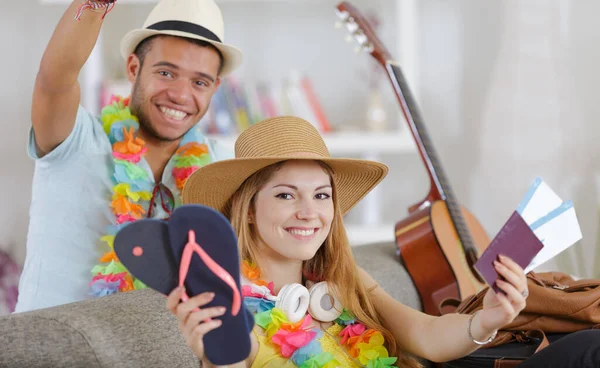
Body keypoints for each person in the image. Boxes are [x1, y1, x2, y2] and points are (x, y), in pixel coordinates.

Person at [165, 115, 588, 368]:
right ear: (248, 208)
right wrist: (217, 354)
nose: (309, 212)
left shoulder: (342, 281)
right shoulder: (230, 304)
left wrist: (488, 320)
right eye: (285, 194)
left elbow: (426, 335)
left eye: (321, 195)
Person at [15, 0, 243, 312]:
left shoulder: (220, 168)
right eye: (166, 73)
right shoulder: (74, 141)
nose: (181, 95)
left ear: (215, 89)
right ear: (134, 69)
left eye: (199, 82)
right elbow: (54, 80)